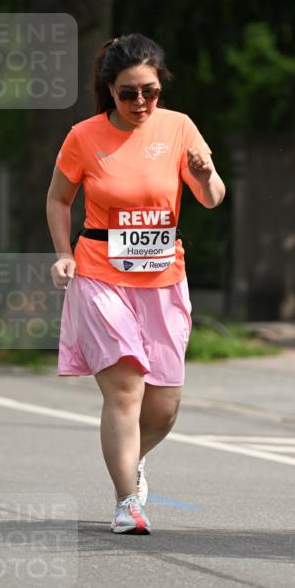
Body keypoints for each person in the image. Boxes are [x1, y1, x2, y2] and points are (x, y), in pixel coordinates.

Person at [47, 34, 225, 534]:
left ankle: (129, 458)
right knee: (126, 389)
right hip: (101, 273)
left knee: (163, 407)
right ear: (110, 90)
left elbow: (211, 198)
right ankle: (127, 501)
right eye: (129, 93)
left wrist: (207, 173)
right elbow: (59, 199)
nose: (141, 102)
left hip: (164, 278)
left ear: (160, 85)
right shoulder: (83, 136)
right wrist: (64, 254)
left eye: (150, 90)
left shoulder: (180, 128)